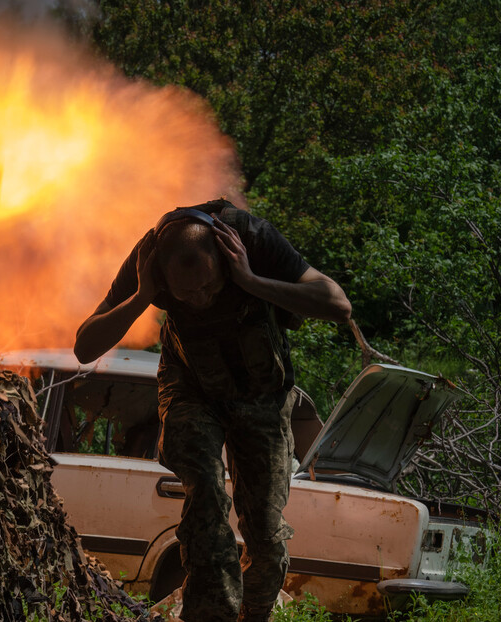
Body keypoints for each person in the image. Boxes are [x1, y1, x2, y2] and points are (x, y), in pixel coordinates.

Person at [73, 198, 351, 622]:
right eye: (186, 293)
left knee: (265, 534)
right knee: (204, 495)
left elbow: (337, 304)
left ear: (224, 256)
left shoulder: (250, 238)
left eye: (209, 286)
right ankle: (210, 614)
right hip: (192, 387)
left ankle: (254, 614)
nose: (200, 299)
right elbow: (84, 346)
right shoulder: (148, 259)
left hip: (261, 394)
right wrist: (143, 296)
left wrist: (250, 280)